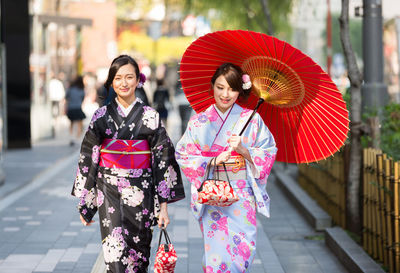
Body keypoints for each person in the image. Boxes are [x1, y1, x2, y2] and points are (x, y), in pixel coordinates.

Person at [71, 55, 185, 273]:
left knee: (139, 256)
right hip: (108, 191)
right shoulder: (101, 116)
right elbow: (89, 158)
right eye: (118, 78)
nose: (124, 83)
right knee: (114, 255)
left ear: (138, 80)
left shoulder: (150, 116)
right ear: (111, 82)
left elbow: (163, 160)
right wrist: (87, 203)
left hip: (142, 192)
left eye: (129, 77)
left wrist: (163, 208)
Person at [175, 63, 277, 272]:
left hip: (242, 196)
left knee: (243, 253)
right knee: (217, 257)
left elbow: (268, 151)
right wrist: (211, 161)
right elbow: (183, 153)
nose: (225, 94)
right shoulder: (199, 122)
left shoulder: (252, 119)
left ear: (240, 91)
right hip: (214, 195)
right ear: (212, 86)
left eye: (232, 88)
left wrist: (244, 149)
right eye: (220, 87)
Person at [65, 76, 86, 145]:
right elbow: (82, 98)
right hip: (78, 107)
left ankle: (71, 137)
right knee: (80, 124)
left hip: (71, 107)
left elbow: (66, 97)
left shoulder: (71, 88)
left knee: (71, 123)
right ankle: (77, 138)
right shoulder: (81, 89)